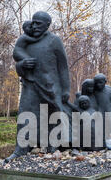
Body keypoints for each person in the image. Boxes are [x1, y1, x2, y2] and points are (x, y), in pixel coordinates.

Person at [6, 11, 71, 162]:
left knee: (52, 117)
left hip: (51, 87)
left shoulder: (54, 41)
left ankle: (52, 148)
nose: (34, 26)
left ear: (47, 25)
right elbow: (18, 61)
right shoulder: (26, 41)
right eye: (33, 22)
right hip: (31, 85)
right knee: (25, 116)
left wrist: (66, 89)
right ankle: (20, 149)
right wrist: (22, 64)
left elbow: (63, 67)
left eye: (38, 24)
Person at [93, 73, 111, 143]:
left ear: (105, 82)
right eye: (96, 83)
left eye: (100, 83)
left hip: (109, 114)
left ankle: (110, 144)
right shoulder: (94, 91)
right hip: (98, 114)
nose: (98, 85)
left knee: (109, 131)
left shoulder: (110, 91)